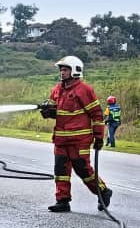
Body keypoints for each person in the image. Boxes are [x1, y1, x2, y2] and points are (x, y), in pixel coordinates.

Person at [39, 56, 111, 212]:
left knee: (83, 170)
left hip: (80, 140)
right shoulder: (56, 90)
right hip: (61, 139)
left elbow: (97, 114)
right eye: (61, 70)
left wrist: (99, 137)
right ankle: (62, 201)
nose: (62, 73)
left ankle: (103, 191)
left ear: (75, 70)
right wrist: (46, 111)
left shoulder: (85, 90)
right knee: (60, 171)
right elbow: (53, 112)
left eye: (65, 70)